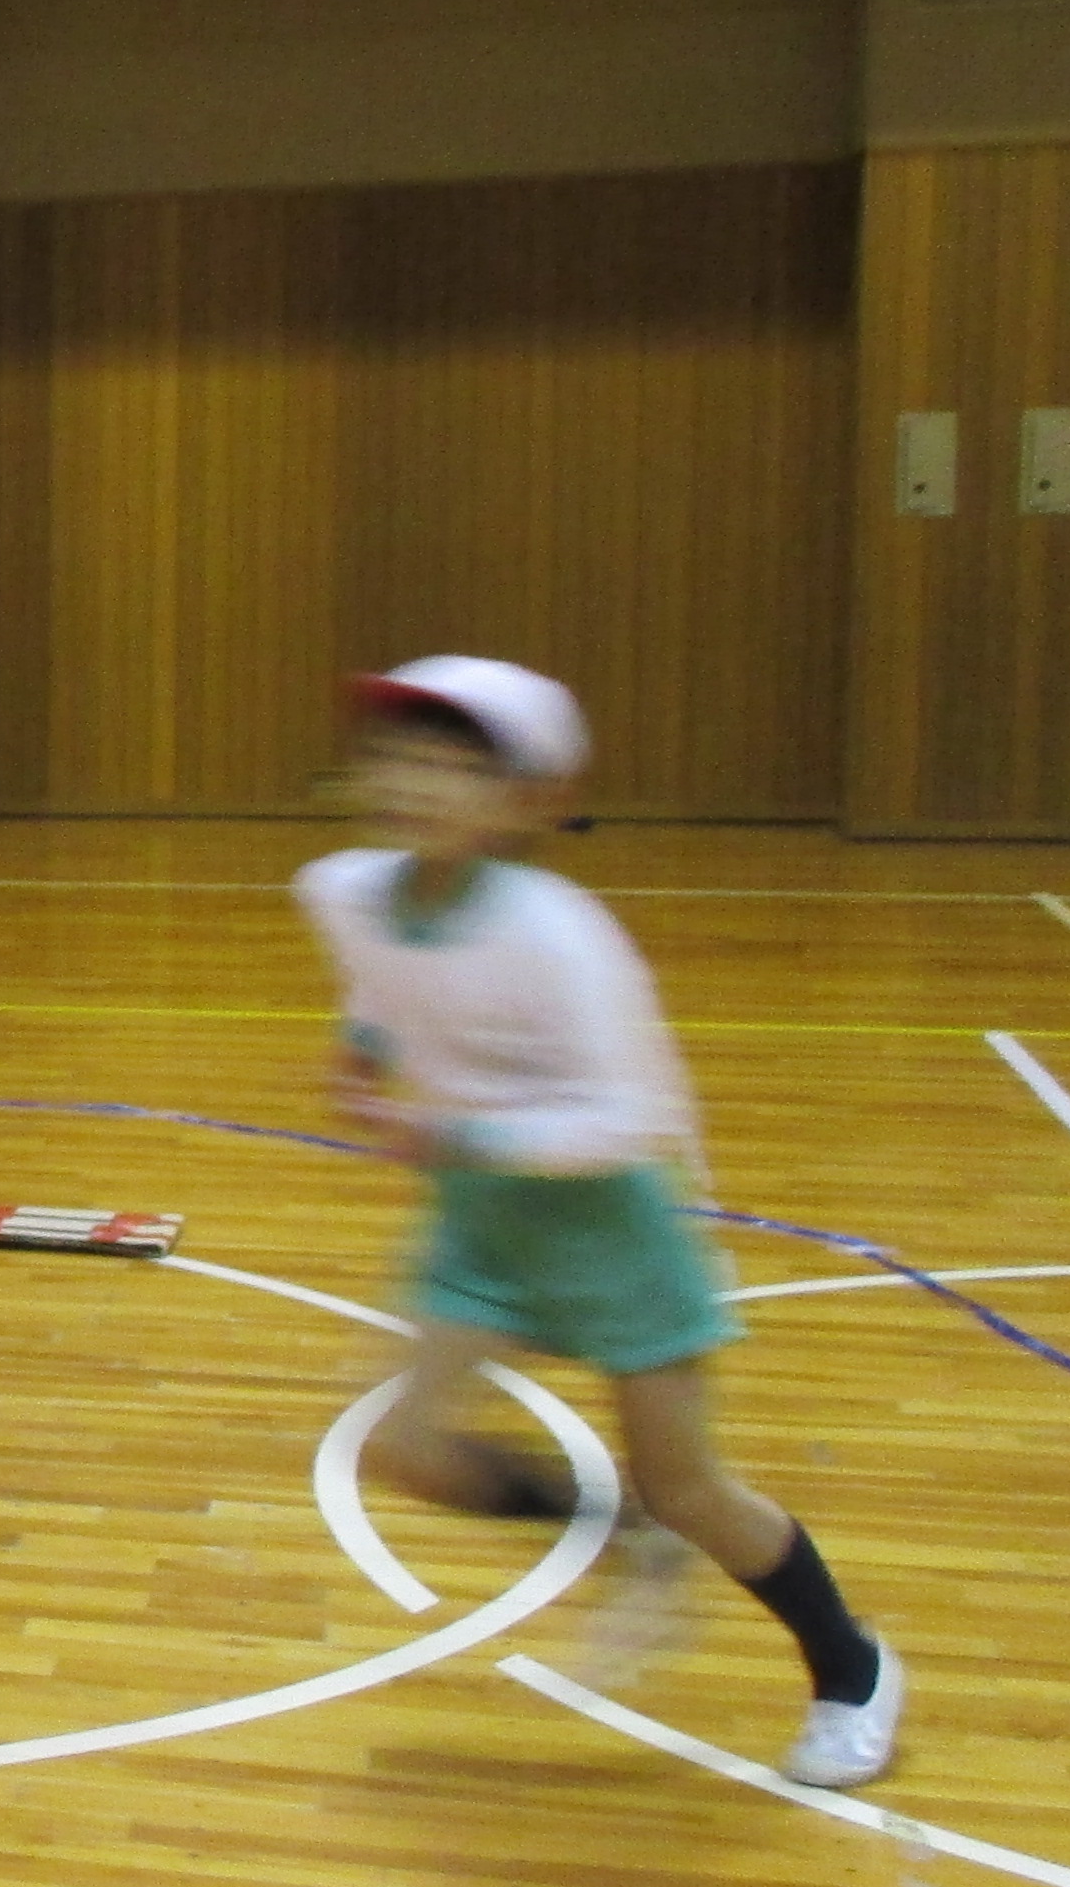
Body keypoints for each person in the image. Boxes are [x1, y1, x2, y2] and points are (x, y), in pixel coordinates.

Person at [303, 655, 900, 1789]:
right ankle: (625, 1528)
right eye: (396, 756)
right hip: (482, 1228)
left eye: (453, 766)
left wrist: (461, 1132)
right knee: (403, 1447)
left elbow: (635, 1118)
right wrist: (363, 1050)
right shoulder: (341, 889)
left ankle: (853, 1667)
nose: (413, 782)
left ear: (524, 802)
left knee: (696, 1490)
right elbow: (387, 977)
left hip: (612, 1237)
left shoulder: (559, 933)